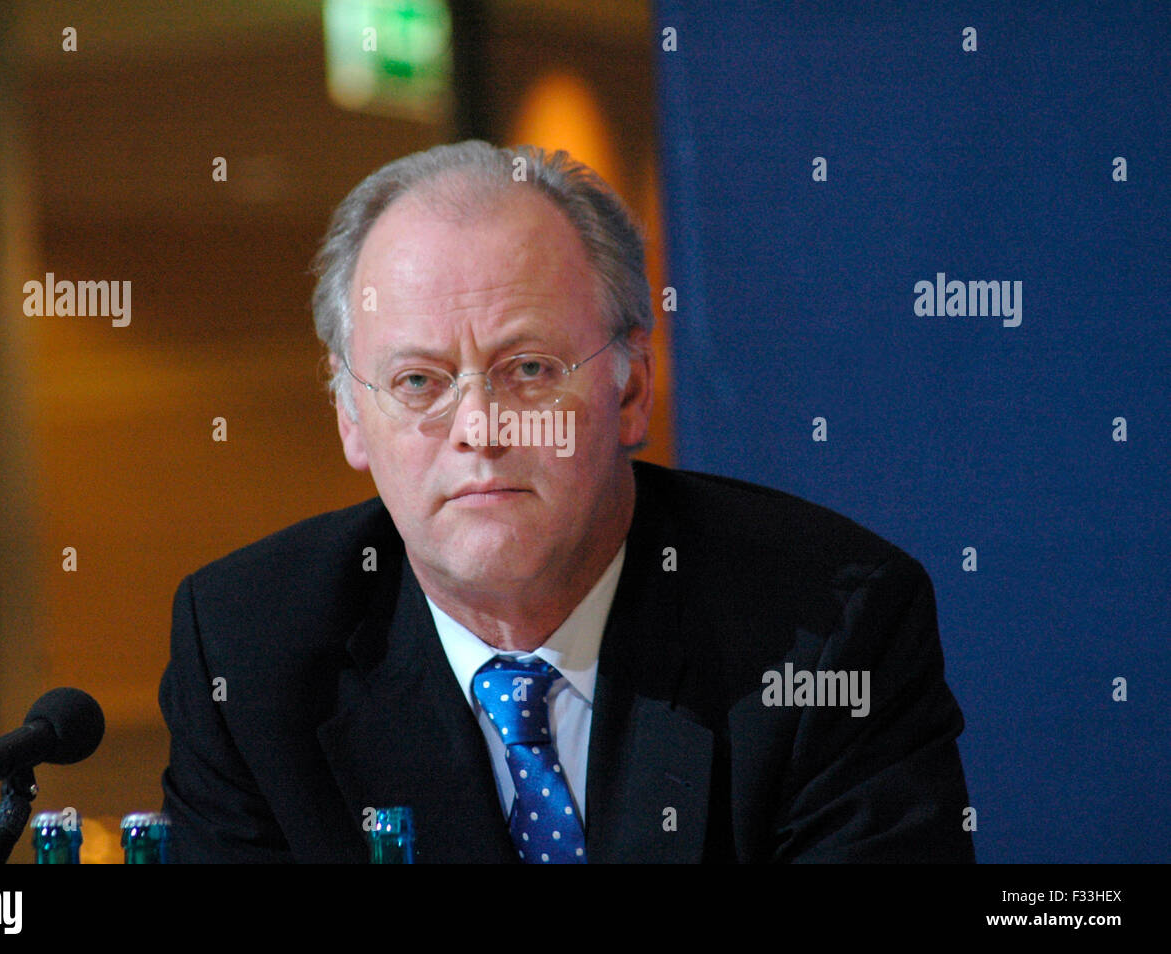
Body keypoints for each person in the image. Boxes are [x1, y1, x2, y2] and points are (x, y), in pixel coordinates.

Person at [159, 141, 975, 863]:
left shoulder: (826, 630)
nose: (477, 428)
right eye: (418, 382)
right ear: (351, 420)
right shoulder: (248, 655)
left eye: (530, 370)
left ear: (632, 390)